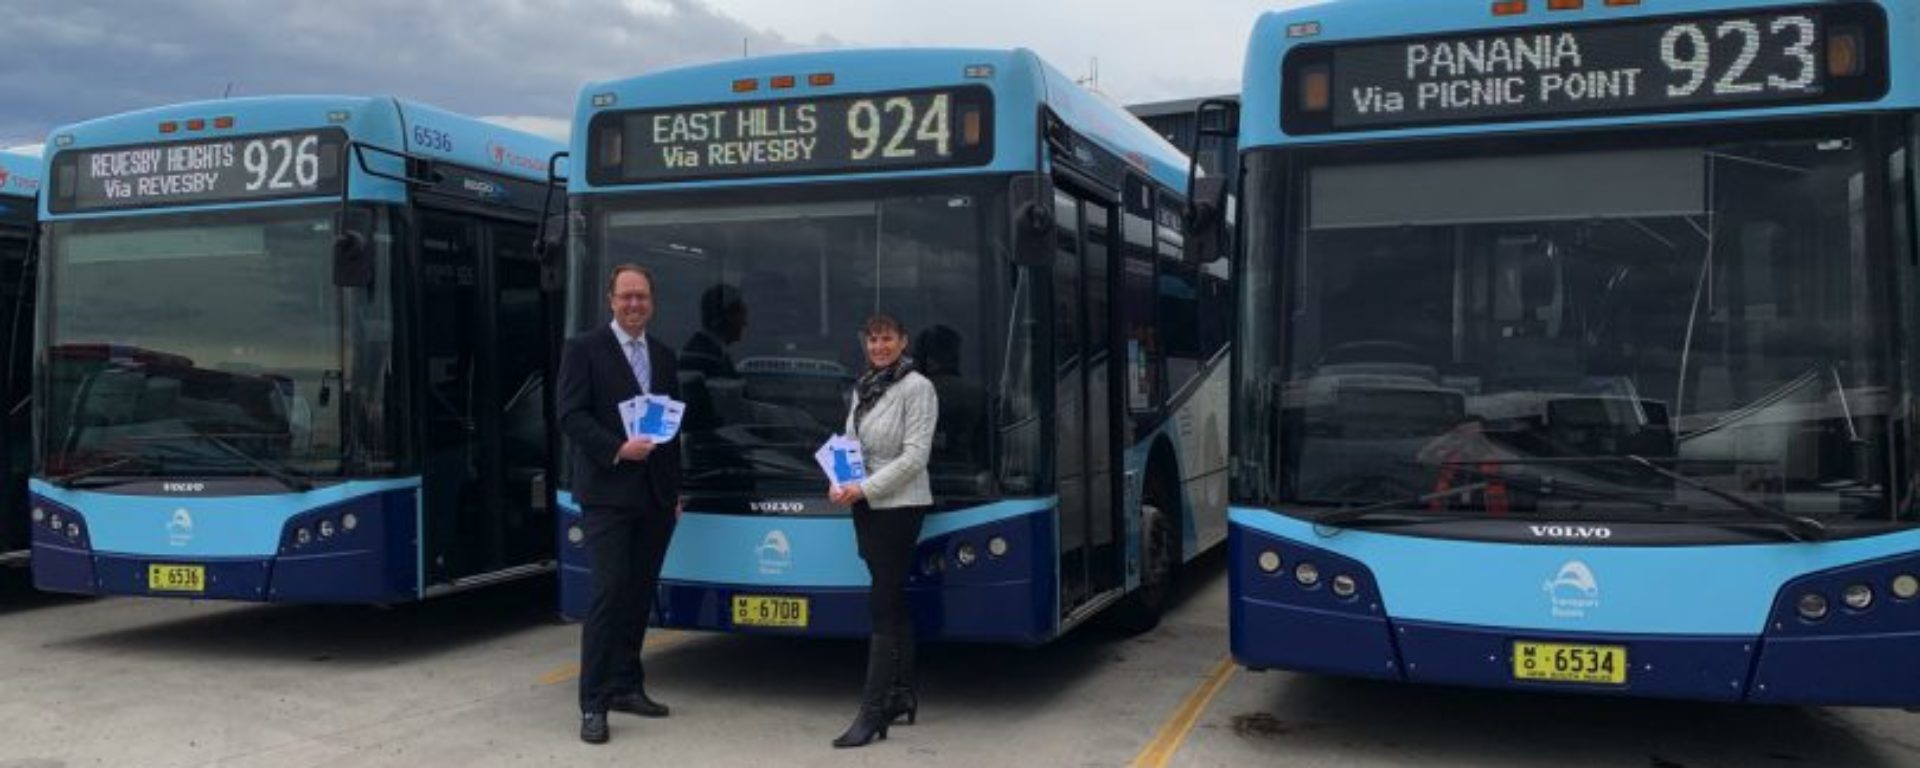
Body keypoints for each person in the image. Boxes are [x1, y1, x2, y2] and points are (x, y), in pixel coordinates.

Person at [557, 264, 684, 745]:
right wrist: (617, 447)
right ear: (611, 300)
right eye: (626, 297)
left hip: (655, 497)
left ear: (652, 303)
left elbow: (673, 431)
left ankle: (628, 685)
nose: (634, 305)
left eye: (643, 298)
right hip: (607, 496)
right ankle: (593, 703)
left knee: (639, 593)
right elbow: (570, 415)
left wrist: (676, 490)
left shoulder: (665, 356)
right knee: (609, 594)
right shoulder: (584, 349)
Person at [827, 313, 938, 748]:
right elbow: (850, 441)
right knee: (888, 595)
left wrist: (862, 488)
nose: (879, 346)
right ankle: (902, 692)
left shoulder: (918, 388)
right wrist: (838, 477)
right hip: (866, 503)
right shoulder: (865, 387)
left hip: (900, 505)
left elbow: (915, 457)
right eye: (872, 339)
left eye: (887, 339)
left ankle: (872, 711)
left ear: (903, 341)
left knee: (881, 601)